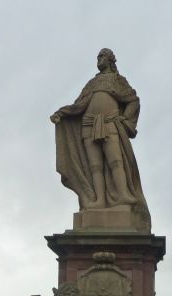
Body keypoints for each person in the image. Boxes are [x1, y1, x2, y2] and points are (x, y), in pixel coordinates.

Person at [50, 48, 150, 231]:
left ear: (110, 60)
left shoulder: (118, 81)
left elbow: (133, 100)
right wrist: (62, 113)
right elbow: (79, 105)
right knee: (94, 166)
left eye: (102, 56)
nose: (99, 59)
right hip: (88, 124)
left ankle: (123, 195)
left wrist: (126, 120)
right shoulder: (92, 83)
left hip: (110, 122)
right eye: (98, 56)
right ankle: (99, 200)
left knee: (115, 161)